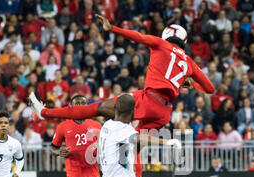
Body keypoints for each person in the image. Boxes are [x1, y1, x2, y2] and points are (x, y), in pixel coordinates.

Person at [30, 15, 214, 133]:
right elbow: (209, 88)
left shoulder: (161, 44)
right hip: (164, 112)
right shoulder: (189, 62)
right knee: (137, 147)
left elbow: (138, 36)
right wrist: (188, 83)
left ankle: (45, 112)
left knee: (97, 108)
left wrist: (113, 29)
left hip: (148, 100)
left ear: (167, 35)